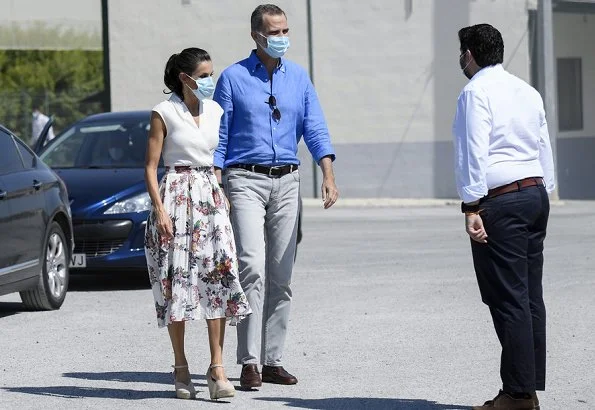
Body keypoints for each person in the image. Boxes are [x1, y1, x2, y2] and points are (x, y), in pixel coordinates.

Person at [213, 3, 339, 388]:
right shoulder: (232, 78)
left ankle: (272, 360)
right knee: (251, 265)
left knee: (282, 274)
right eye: (274, 32)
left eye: (285, 31)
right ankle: (249, 361)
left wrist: (328, 174)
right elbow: (219, 135)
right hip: (244, 180)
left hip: (287, 180)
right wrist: (216, 184)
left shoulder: (299, 78)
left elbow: (315, 126)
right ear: (256, 35)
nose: (281, 38)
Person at [452, 24, 555, 410]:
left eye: (461, 52)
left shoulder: (475, 92)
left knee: (507, 298)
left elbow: (473, 151)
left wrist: (471, 205)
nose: (460, 58)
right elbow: (543, 142)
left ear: (470, 54)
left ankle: (516, 395)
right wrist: (546, 190)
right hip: (534, 193)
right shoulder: (526, 90)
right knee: (529, 297)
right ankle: (526, 388)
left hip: (501, 201)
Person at [144, 47, 251, 401]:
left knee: (218, 277)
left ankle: (217, 369)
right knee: (178, 282)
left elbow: (217, 157)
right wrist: (159, 210)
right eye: (204, 75)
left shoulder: (216, 110)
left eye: (211, 74)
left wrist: (221, 191)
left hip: (209, 195)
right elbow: (150, 166)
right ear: (184, 78)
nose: (210, 81)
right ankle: (180, 367)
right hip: (175, 193)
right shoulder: (164, 112)